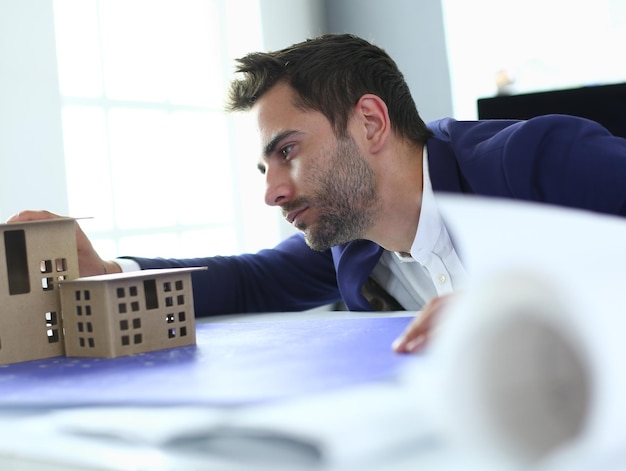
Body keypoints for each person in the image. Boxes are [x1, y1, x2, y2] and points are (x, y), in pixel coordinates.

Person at [11, 34, 626, 353]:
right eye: (264, 169)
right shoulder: (353, 239)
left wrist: (536, 306)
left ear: (370, 122)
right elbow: (251, 281)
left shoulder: (538, 160)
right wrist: (108, 273)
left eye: (287, 151)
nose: (274, 192)